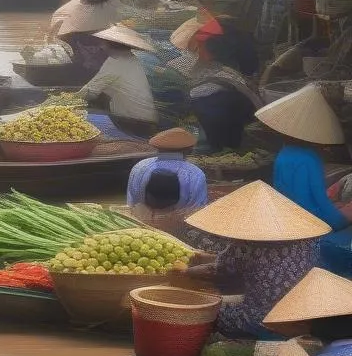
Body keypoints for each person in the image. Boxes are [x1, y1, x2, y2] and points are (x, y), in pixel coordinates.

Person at [184, 181, 329, 339]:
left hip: (263, 317)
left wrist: (185, 272)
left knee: (209, 312)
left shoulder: (247, 245)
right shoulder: (309, 239)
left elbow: (216, 270)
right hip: (304, 311)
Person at [258, 85, 352, 277]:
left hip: (288, 218)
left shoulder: (283, 154)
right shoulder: (310, 159)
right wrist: (340, 217)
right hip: (311, 222)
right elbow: (318, 204)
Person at [171, 16, 262, 151]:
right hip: (233, 121)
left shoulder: (215, 82)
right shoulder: (230, 69)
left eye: (199, 45)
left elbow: (195, 95)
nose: (196, 49)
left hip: (221, 127)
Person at [79, 25, 159, 139]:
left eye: (103, 43)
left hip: (134, 121)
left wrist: (66, 102)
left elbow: (89, 92)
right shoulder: (131, 58)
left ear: (109, 45)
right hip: (148, 119)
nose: (101, 46)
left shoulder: (115, 63)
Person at [49, 0, 121, 82]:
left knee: (71, 45)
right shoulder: (109, 6)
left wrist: (55, 35)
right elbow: (116, 14)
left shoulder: (76, 5)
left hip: (79, 42)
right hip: (102, 42)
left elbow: (58, 19)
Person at [126, 126, 209, 217]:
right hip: (178, 226)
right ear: (189, 150)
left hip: (142, 223)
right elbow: (198, 212)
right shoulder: (196, 174)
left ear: (157, 147)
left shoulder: (139, 167)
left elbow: (131, 204)